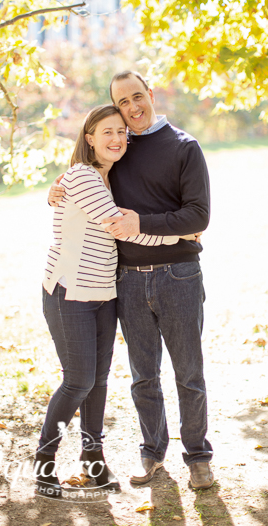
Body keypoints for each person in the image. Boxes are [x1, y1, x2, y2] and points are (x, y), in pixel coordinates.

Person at [49, 71, 213, 489]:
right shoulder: (118, 148)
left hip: (179, 275)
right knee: (143, 375)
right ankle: (152, 452)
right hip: (126, 280)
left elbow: (199, 216)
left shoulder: (184, 147)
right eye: (122, 103)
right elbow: (89, 183)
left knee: (188, 373)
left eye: (137, 97)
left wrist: (148, 223)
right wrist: (59, 184)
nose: (132, 109)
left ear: (151, 95)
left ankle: (197, 456)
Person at [36, 104, 184, 498]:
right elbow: (123, 228)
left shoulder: (108, 177)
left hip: (104, 293)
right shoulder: (84, 176)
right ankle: (44, 462)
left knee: (98, 382)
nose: (117, 139)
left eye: (121, 132)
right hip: (70, 293)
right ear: (89, 139)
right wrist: (180, 237)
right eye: (107, 132)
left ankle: (93, 461)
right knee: (79, 380)